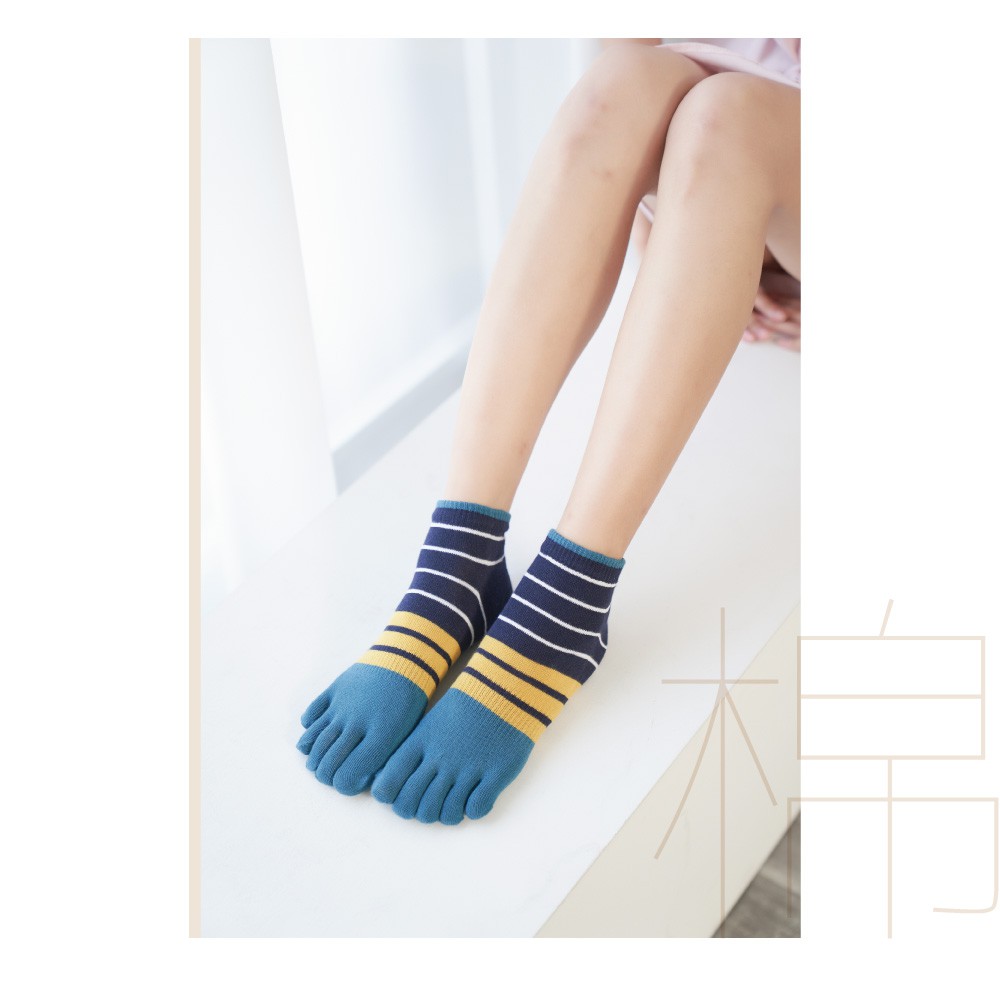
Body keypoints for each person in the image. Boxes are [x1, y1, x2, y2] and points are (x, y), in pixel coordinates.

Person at [296, 38, 801, 824]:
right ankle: (458, 566)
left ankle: (567, 605)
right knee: (624, 80)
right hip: (714, 162)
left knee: (729, 118)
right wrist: (667, 218)